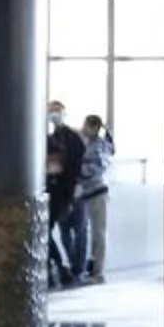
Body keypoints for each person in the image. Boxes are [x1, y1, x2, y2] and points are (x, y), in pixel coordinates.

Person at [44, 102, 84, 285]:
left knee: (64, 231)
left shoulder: (71, 138)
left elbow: (72, 166)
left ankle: (62, 266)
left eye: (56, 111)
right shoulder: (52, 137)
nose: (53, 115)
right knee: (47, 231)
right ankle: (60, 267)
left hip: (64, 191)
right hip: (54, 190)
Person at [74, 115, 113, 283]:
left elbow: (96, 167)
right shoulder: (90, 143)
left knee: (99, 234)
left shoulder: (100, 146)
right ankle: (92, 269)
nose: (83, 128)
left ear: (94, 127)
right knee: (91, 232)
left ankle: (98, 273)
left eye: (86, 125)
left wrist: (77, 170)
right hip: (89, 193)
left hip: (98, 192)